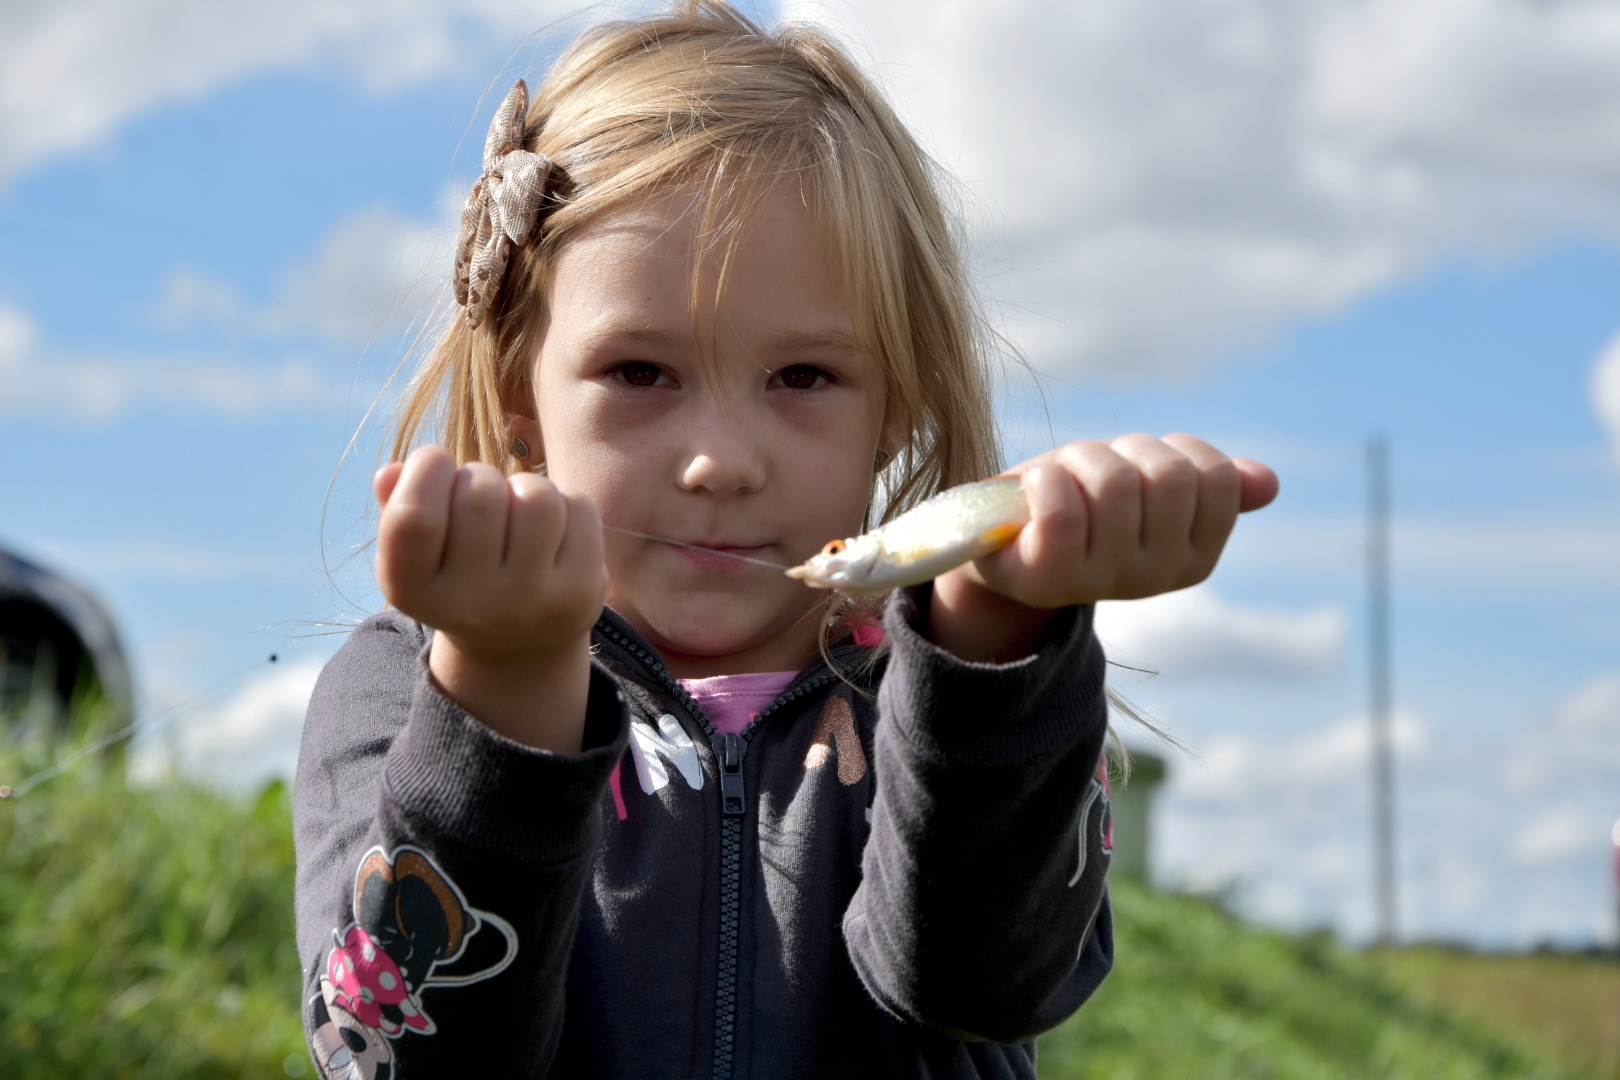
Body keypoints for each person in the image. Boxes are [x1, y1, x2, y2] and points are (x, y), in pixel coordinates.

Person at [293, 3, 1279, 1078]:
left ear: (895, 404)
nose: (723, 459)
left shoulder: (944, 691)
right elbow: (399, 1063)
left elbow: (990, 981)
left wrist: (1001, 630)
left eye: (803, 377)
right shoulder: (402, 685)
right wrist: (503, 688)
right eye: (639, 372)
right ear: (521, 380)